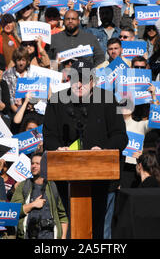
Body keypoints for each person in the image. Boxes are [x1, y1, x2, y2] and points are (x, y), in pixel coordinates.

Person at [43, 59, 128, 239]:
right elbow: (49, 136)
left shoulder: (107, 99)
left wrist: (103, 150)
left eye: (83, 79)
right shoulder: (57, 101)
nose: (79, 84)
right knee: (75, 229)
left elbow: (121, 136)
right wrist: (58, 149)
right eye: (75, 79)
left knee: (101, 231)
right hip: (68, 179)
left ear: (93, 81)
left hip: (103, 180)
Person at [11, 152, 68, 239]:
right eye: (32, 163)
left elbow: (62, 216)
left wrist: (63, 237)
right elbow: (13, 211)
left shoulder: (52, 186)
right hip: (28, 235)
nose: (34, 166)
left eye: (38, 163)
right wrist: (32, 205)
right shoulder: (23, 186)